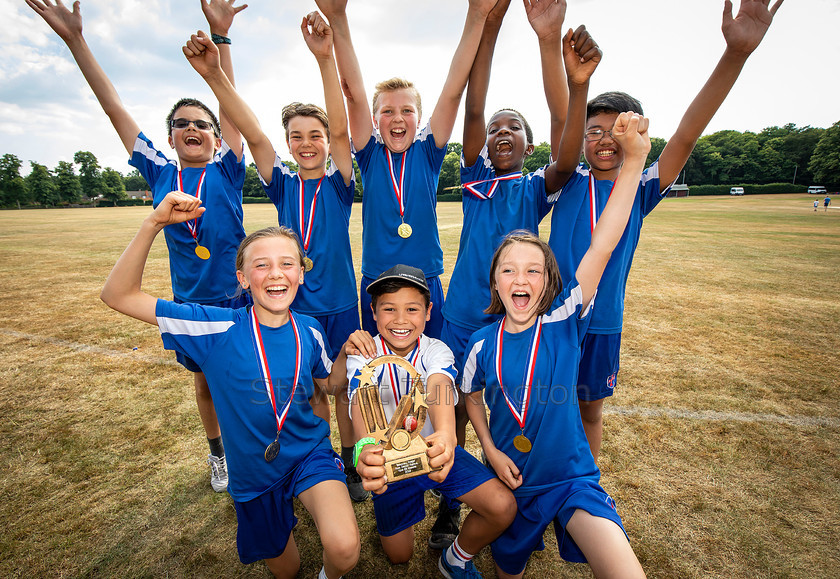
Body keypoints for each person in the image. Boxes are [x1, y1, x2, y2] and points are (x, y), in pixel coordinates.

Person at [26, 0, 252, 492]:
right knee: (206, 384)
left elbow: (230, 102)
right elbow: (113, 107)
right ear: (170, 138)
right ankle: (219, 455)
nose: (193, 129)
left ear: (216, 137)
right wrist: (76, 41)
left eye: (203, 124)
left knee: (244, 380)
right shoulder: (158, 170)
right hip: (191, 301)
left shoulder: (228, 168)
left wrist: (222, 39)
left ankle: (250, 449)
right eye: (182, 124)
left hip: (238, 299)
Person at [548, 0, 783, 462]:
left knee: (589, 412)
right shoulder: (564, 179)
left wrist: (734, 55)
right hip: (553, 317)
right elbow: (566, 122)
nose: (604, 139)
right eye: (593, 131)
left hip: (603, 323)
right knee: (547, 408)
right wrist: (579, 87)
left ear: (637, 134)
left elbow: (687, 135)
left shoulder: (641, 184)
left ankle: (584, 490)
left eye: (617, 129)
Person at [100, 195, 360, 579]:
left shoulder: (311, 329)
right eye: (261, 265)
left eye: (287, 263)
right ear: (242, 278)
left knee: (344, 548)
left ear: (301, 274)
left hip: (309, 454)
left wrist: (344, 358)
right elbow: (117, 295)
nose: (276, 274)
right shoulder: (213, 328)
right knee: (286, 570)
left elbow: (332, 387)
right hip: (254, 473)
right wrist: (153, 223)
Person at [181, 12, 367, 502]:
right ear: (289, 145)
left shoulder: (339, 185)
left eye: (315, 136)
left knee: (344, 388)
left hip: (340, 304)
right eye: (297, 137)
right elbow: (255, 134)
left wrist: (326, 59)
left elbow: (346, 133)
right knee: (307, 390)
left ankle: (350, 464)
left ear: (327, 144)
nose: (306, 144)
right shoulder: (282, 182)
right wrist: (214, 74)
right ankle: (317, 458)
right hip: (292, 306)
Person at [439, 0, 601, 547]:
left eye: (515, 128)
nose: (501, 132)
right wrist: (490, 27)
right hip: (459, 314)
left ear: (529, 146)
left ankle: (522, 490)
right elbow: (474, 107)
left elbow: (568, 143)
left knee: (497, 403)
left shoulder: (538, 185)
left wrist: (553, 54)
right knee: (453, 409)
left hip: (510, 317)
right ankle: (451, 496)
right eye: (497, 129)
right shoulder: (475, 178)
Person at [462, 112, 651, 579]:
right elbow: (468, 395)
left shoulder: (566, 317)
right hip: (514, 485)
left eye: (533, 269)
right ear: (495, 282)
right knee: (509, 569)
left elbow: (603, 244)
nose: (520, 278)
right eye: (508, 269)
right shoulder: (481, 342)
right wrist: (490, 448)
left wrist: (634, 163)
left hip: (571, 481)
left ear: (549, 281)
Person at [314, 0, 496, 340]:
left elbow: (454, 90)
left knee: (430, 366)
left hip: (424, 277)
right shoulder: (368, 154)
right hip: (378, 280)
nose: (397, 118)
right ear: (374, 120)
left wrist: (477, 14)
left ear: (419, 118)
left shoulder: (428, 151)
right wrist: (338, 18)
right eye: (387, 111)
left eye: (407, 111)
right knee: (379, 370)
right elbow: (352, 95)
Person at [330, 264, 516, 578]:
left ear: (429, 312)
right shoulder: (364, 353)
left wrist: (445, 434)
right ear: (373, 313)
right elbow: (361, 399)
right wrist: (364, 448)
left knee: (503, 507)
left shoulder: (435, 349)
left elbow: (439, 385)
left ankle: (455, 557)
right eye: (389, 309)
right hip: (389, 466)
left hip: (433, 454)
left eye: (412, 309)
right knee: (400, 556)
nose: (400, 320)